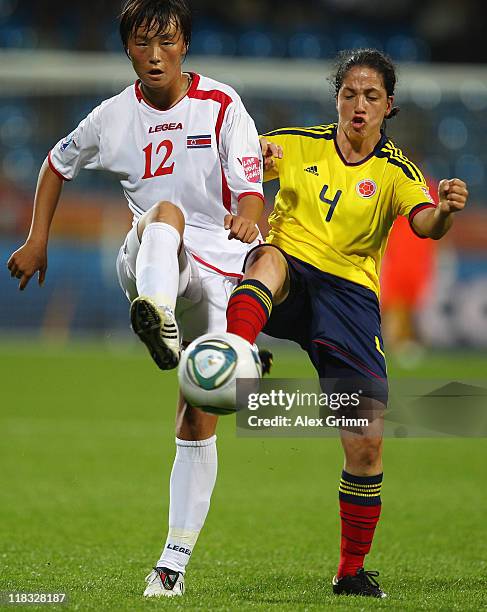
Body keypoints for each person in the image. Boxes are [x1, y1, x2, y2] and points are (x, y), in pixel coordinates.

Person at [6, 0, 266, 598]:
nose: (155, 54)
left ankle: (172, 566)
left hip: (218, 272)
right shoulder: (111, 117)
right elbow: (56, 163)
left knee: (199, 412)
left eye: (167, 41)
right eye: (143, 42)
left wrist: (249, 222)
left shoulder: (223, 105)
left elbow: (251, 190)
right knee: (164, 215)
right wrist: (37, 239)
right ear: (127, 49)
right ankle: (156, 316)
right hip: (151, 258)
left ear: (185, 46)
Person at [225, 49, 468, 598]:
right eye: (349, 94)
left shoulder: (396, 170)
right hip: (289, 274)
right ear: (337, 97)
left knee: (366, 443)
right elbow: (241, 165)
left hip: (350, 300)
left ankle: (351, 571)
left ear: (389, 107)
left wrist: (447, 211)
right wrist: (251, 159)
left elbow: (425, 223)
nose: (358, 106)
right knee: (266, 259)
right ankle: (237, 352)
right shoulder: (294, 143)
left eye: (372, 97)